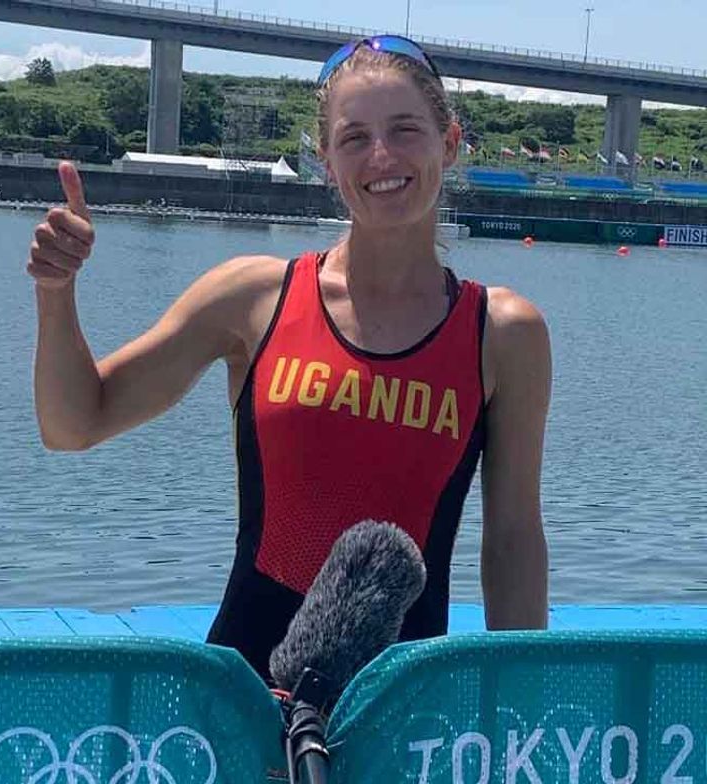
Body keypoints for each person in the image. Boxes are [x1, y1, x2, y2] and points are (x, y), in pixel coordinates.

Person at [27, 35, 550, 683]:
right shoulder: (252, 298)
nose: (381, 155)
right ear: (326, 161)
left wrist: (521, 693)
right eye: (354, 137)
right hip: (242, 700)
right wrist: (56, 292)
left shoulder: (502, 332)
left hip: (404, 709)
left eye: (405, 129)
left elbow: (513, 538)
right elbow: (74, 423)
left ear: (448, 143)